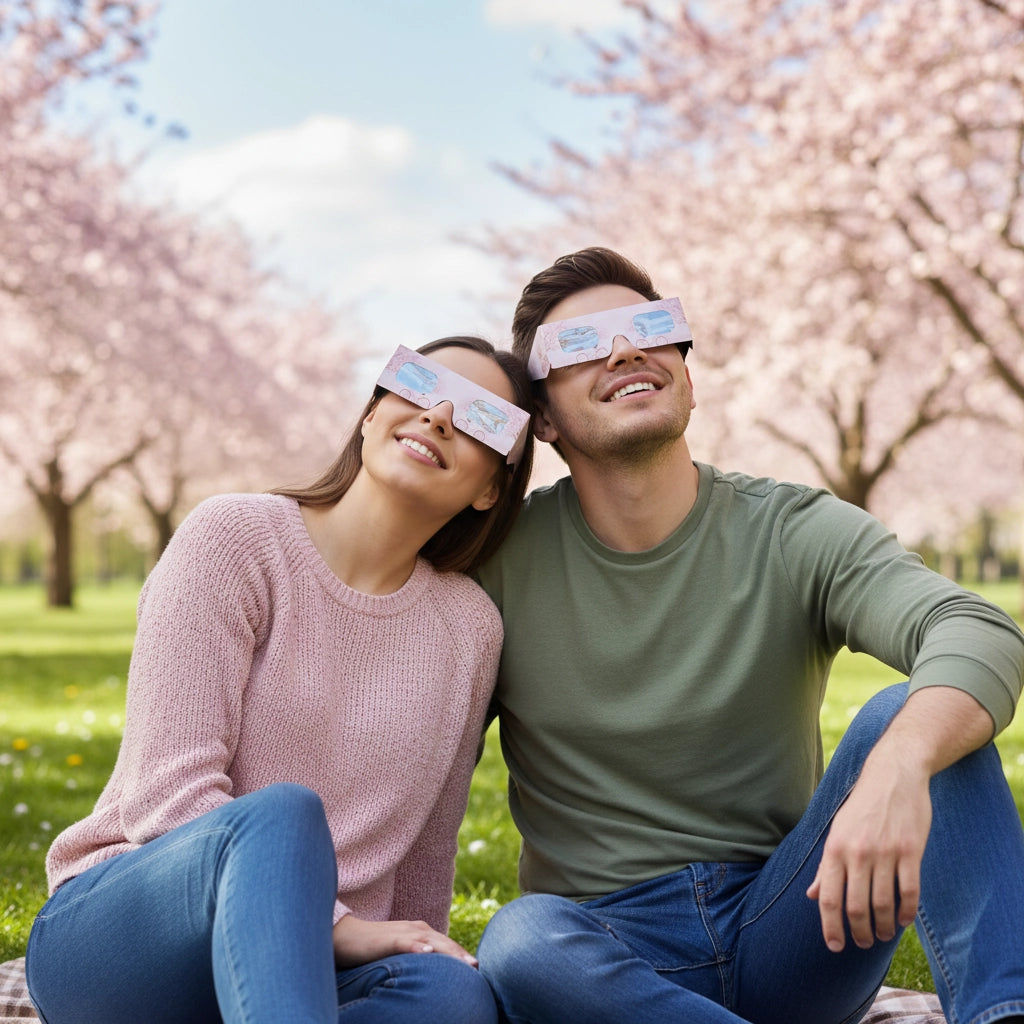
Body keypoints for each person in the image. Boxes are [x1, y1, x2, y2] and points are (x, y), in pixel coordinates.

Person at [474, 248, 1024, 1024]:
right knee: (519, 940)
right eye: (581, 344)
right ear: (544, 418)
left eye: (650, 328)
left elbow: (973, 628)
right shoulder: (498, 566)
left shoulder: (792, 528)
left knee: (918, 715)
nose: (625, 350)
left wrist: (899, 767)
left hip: (797, 923)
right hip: (607, 951)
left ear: (687, 375)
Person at [26, 336, 534, 1024]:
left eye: (481, 418)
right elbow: (165, 794)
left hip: (312, 970)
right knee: (283, 816)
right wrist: (336, 925)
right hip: (127, 937)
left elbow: (426, 848)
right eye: (419, 384)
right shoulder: (233, 539)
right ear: (371, 413)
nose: (439, 415)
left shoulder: (470, 629)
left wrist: (417, 948)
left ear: (491, 487)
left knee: (451, 996)